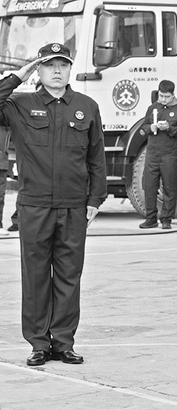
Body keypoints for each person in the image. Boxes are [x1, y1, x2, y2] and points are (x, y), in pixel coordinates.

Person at [0, 44, 106, 367]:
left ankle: (63, 342)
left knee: (69, 277)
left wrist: (95, 199)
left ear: (71, 69)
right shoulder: (20, 105)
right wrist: (18, 76)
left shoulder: (86, 107)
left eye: (63, 64)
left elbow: (96, 158)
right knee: (35, 277)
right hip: (34, 206)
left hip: (74, 207)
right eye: (49, 65)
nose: (57, 71)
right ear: (39, 70)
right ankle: (38, 344)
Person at [138, 80, 177, 230]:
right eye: (161, 96)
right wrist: (150, 128)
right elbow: (143, 128)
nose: (163, 99)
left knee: (169, 187)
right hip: (152, 153)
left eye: (167, 96)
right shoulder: (152, 108)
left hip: (169, 154)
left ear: (173, 95)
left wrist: (169, 128)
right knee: (149, 186)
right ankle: (150, 218)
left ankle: (166, 219)